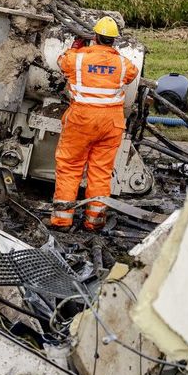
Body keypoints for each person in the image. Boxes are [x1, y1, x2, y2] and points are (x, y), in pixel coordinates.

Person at [49, 16, 139, 232]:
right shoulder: (122, 64)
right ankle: (95, 221)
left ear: (95, 37)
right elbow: (132, 73)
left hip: (81, 121)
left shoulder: (78, 59)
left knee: (70, 167)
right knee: (100, 171)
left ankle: (62, 219)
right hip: (111, 124)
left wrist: (76, 45)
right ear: (113, 40)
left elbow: (62, 61)